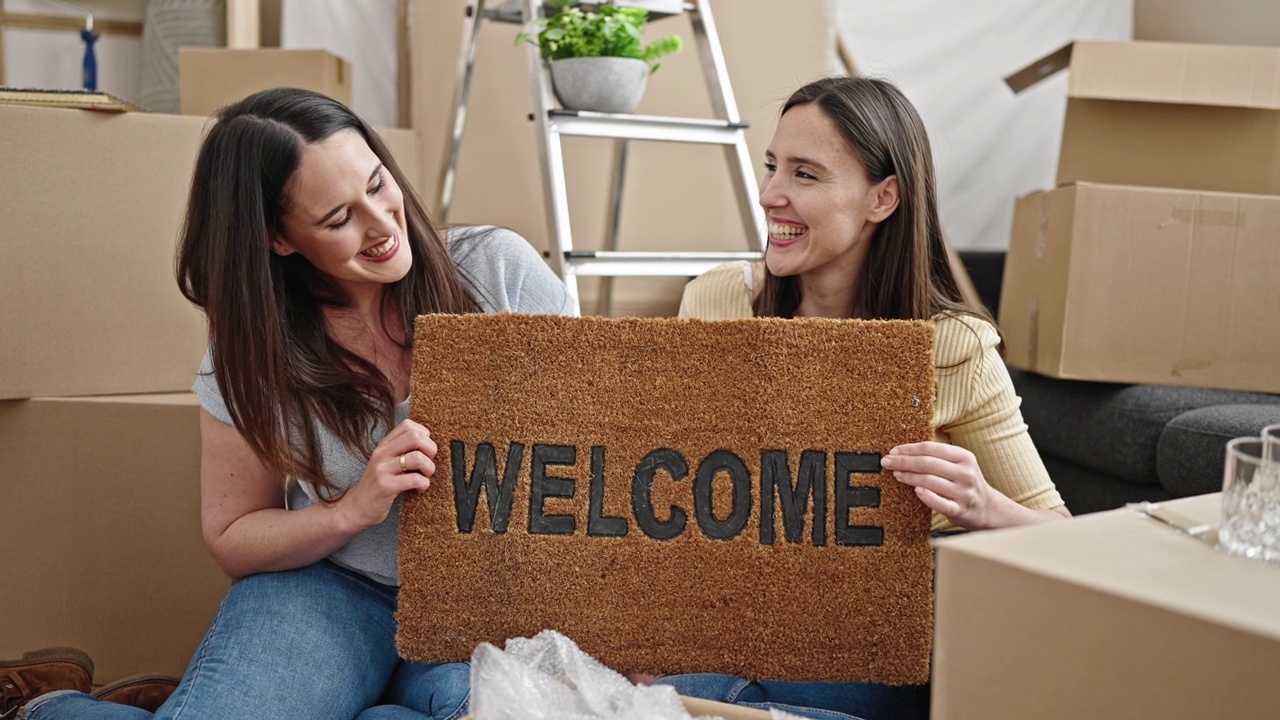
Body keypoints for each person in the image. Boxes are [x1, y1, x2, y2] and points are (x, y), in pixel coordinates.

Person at [6, 87, 573, 720]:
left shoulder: (497, 271)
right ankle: (45, 708)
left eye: (379, 185)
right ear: (280, 239)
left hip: (493, 602)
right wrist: (353, 509)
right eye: (338, 219)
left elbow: (607, 440)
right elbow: (232, 533)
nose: (384, 224)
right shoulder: (252, 347)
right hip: (334, 591)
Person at [649, 75, 1071, 719]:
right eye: (772, 168)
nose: (770, 195)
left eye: (806, 174)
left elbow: (1065, 541)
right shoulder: (714, 302)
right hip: (718, 627)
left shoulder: (953, 347)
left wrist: (982, 505)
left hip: (857, 654)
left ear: (884, 197)